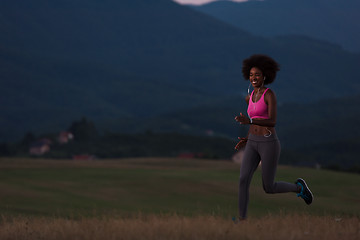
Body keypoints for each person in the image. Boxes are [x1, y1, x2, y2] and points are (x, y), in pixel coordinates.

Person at [234, 54, 313, 221]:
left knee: (268, 187)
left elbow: (272, 121)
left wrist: (249, 121)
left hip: (268, 143)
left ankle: (298, 188)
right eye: (251, 75)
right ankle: (241, 220)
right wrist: (247, 139)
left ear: (265, 76)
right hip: (252, 143)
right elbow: (253, 123)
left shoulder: (269, 95)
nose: (254, 78)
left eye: (257, 75)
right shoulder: (249, 97)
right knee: (243, 179)